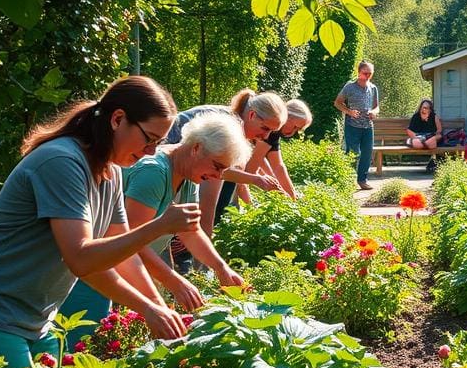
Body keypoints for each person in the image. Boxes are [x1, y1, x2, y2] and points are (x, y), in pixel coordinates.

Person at [0, 76, 200, 368]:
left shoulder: (110, 172)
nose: (151, 151)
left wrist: (157, 310)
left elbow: (123, 259)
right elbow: (81, 259)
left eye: (159, 143)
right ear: (118, 119)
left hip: (36, 322)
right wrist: (159, 226)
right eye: (149, 138)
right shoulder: (62, 161)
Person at [60, 113, 252, 347]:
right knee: (79, 344)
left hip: (119, 271)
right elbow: (130, 240)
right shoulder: (154, 172)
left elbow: (191, 230)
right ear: (196, 148)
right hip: (94, 272)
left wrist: (221, 268)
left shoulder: (189, 175)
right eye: (217, 166)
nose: (218, 176)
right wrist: (173, 282)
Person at [164, 90, 287, 236]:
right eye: (265, 128)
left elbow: (223, 173)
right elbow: (209, 197)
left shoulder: (236, 125)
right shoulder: (225, 130)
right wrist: (206, 236)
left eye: (271, 132)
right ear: (252, 115)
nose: (265, 137)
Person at [235, 98, 313, 204]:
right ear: (287, 116)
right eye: (295, 127)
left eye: (297, 130)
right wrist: (250, 207)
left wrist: (291, 195)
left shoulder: (274, 134)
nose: (293, 132)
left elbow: (278, 166)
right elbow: (249, 171)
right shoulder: (268, 132)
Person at [334, 61, 379, 190]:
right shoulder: (349, 87)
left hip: (368, 126)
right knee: (353, 153)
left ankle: (362, 180)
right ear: (359, 72)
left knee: (367, 153)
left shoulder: (373, 88)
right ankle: (348, 180)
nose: (368, 76)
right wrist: (349, 112)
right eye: (365, 73)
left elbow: (377, 107)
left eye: (370, 73)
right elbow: (337, 103)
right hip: (352, 126)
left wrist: (374, 112)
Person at [406, 99, 442, 172]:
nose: (424, 109)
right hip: (419, 137)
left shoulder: (434, 117)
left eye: (427, 108)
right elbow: (409, 130)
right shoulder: (416, 116)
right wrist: (417, 137)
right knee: (417, 142)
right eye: (423, 107)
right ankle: (426, 145)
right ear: (420, 108)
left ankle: (426, 144)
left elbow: (439, 130)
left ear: (430, 109)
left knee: (437, 137)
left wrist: (433, 135)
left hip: (430, 136)